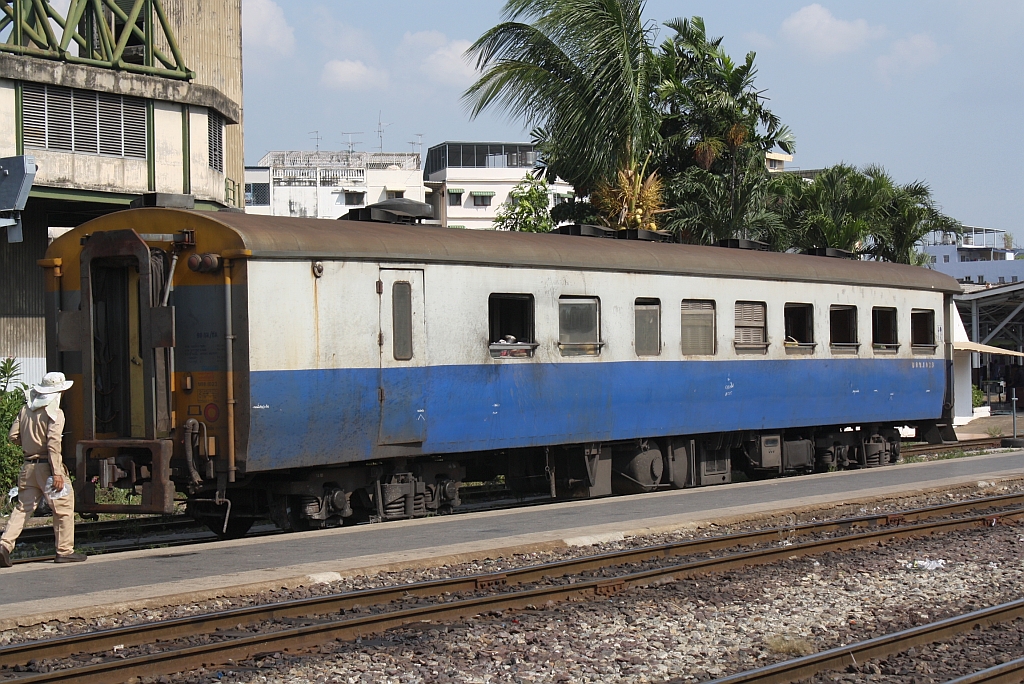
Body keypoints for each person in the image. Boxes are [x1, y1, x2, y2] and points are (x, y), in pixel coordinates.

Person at [0, 372, 86, 567]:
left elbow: (12, 436)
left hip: (28, 466)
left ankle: (4, 545)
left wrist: (29, 444)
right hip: (48, 467)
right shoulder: (55, 413)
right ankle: (64, 551)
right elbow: (53, 444)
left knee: (23, 508)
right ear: (59, 392)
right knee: (63, 508)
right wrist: (57, 472)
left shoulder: (26, 410)